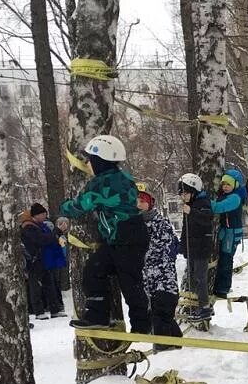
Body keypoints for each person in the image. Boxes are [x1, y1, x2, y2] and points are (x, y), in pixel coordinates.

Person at [59, 135, 151, 333]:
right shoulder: (123, 177)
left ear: (99, 162)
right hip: (124, 237)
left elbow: (80, 206)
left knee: (128, 281)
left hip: (126, 237)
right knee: (96, 270)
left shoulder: (102, 183)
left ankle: (141, 324)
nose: (88, 165)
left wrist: (63, 207)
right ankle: (99, 316)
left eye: (90, 160)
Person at [137, 190, 182, 349]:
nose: (139, 204)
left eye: (142, 201)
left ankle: (164, 346)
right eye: (136, 201)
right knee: (158, 310)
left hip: (163, 275)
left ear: (150, 204)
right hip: (147, 278)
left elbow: (161, 247)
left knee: (163, 308)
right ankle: (176, 342)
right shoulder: (133, 223)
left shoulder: (160, 222)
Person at [178, 172, 215, 321]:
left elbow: (207, 219)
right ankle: (197, 305)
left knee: (201, 277)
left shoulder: (203, 203)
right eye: (181, 194)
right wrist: (182, 245)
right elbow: (186, 228)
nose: (183, 196)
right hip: (192, 247)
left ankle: (204, 306)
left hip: (201, 247)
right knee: (193, 276)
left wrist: (191, 212)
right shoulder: (190, 205)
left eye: (186, 193)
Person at [21, 203, 65, 320]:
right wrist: (57, 231)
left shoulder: (39, 225)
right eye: (43, 214)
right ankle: (39, 311)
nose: (45, 215)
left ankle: (54, 309)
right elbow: (43, 240)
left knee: (49, 284)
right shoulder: (29, 227)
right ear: (36, 215)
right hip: (34, 260)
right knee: (35, 285)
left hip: (43, 259)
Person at [210, 168, 247, 298]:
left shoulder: (235, 198)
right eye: (223, 184)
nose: (225, 187)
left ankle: (223, 288)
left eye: (228, 184)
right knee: (221, 258)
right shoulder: (226, 195)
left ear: (235, 185)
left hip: (231, 232)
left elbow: (219, 207)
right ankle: (218, 285)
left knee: (226, 259)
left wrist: (204, 203)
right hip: (225, 231)